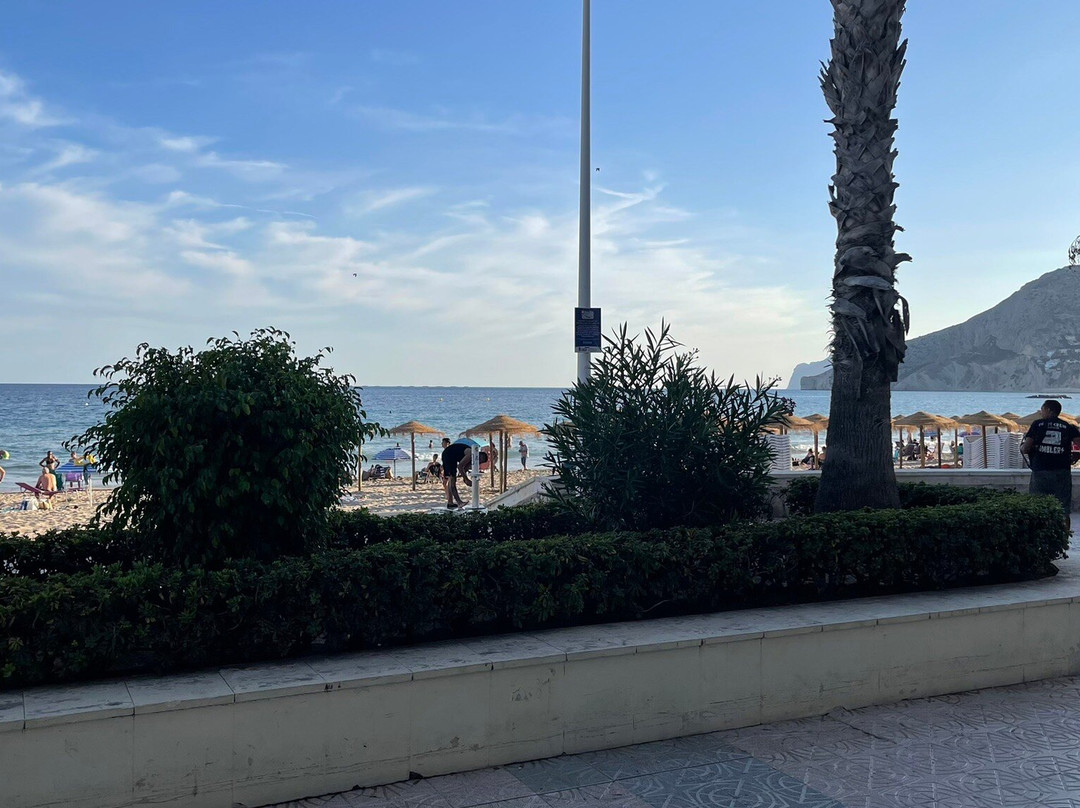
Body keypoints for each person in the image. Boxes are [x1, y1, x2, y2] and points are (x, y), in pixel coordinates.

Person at [1021, 399, 1080, 530]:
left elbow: (1026, 448)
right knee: (1064, 509)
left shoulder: (1037, 424)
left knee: (1037, 506)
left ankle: (1040, 534)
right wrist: (1076, 456)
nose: (1041, 412)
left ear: (1048, 410)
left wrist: (1023, 447)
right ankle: (1064, 537)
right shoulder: (1068, 426)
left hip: (1040, 471)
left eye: (1042, 409)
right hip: (1062, 472)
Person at [440, 438, 467, 509]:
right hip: (449, 466)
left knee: (451, 482)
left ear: (448, 443)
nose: (442, 444)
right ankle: (455, 502)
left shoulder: (449, 450)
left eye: (443, 442)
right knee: (451, 482)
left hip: (451, 465)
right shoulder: (447, 451)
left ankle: (450, 502)